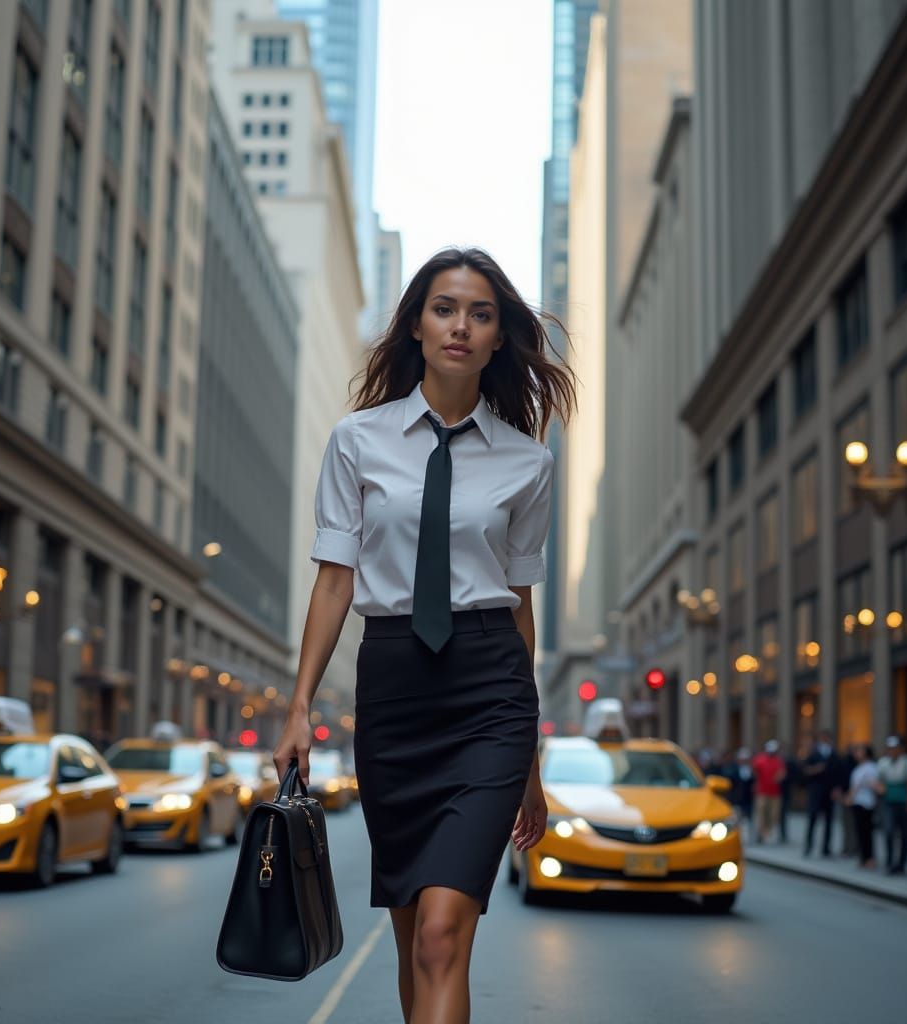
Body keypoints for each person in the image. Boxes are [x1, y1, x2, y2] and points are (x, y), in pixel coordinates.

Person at [272, 247, 576, 1024]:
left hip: (489, 691)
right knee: (413, 932)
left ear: (499, 336)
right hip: (395, 686)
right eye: (445, 308)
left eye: (481, 314)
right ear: (415, 323)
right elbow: (335, 580)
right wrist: (300, 705)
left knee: (444, 934)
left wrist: (528, 757)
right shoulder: (357, 441)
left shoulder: (527, 462)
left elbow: (518, 604)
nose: (461, 327)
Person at [877, 735, 907, 875]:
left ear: (901, 749)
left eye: (895, 748)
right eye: (890, 748)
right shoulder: (883, 762)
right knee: (889, 831)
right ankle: (890, 861)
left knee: (905, 833)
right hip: (889, 801)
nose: (892, 751)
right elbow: (879, 780)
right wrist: (880, 788)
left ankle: (902, 863)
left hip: (904, 800)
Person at [803, 728, 841, 856]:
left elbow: (838, 774)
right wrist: (815, 769)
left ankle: (826, 848)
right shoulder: (813, 754)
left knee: (829, 820)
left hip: (829, 792)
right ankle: (808, 846)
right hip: (815, 791)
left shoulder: (834, 755)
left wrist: (837, 788)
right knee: (812, 819)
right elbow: (804, 770)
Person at [846, 744, 881, 870]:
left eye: (860, 751)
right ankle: (863, 857)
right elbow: (854, 786)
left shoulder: (871, 768)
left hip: (867, 803)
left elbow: (875, 785)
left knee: (867, 832)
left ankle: (870, 858)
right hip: (857, 802)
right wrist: (850, 797)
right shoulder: (858, 768)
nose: (857, 753)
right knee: (860, 832)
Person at [752, 740, 786, 844]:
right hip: (762, 791)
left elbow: (782, 773)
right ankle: (761, 833)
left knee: (773, 814)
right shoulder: (760, 759)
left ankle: (767, 831)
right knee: (761, 812)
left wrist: (777, 779)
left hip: (775, 793)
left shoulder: (778, 761)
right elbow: (754, 771)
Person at [726, 748, 755, 840]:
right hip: (737, 799)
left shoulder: (751, 770)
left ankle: (747, 837)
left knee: (748, 819)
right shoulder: (734, 769)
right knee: (737, 819)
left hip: (748, 799)